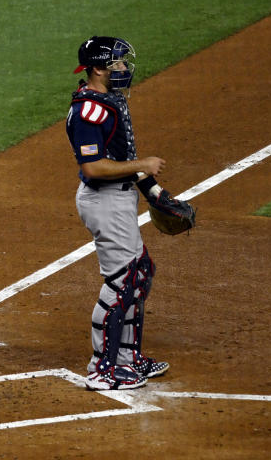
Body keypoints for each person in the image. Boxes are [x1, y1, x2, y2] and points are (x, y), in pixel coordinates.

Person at [65, 36, 171, 390]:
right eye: (118, 64)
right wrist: (144, 165)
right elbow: (93, 167)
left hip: (121, 197)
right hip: (104, 200)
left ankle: (127, 360)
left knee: (141, 273)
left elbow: (122, 160)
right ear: (98, 69)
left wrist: (152, 190)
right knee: (123, 281)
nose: (124, 69)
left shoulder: (109, 102)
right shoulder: (87, 112)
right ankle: (102, 369)